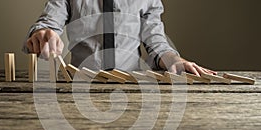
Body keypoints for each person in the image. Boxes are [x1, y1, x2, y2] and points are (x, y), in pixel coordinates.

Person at [23, 0, 216, 76]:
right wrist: (41, 34)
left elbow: (156, 42)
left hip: (133, 88)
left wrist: (174, 60)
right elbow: (48, 22)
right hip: (79, 87)